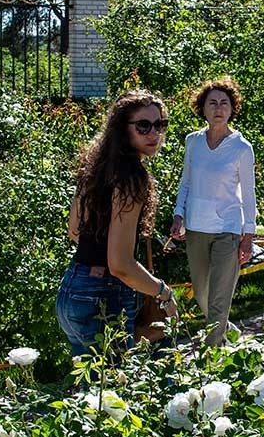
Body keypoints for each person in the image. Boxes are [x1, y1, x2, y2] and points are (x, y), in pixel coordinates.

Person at [56, 90, 178, 358]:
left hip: (72, 290)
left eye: (160, 125)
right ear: (123, 130)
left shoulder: (96, 166)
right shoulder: (131, 179)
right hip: (102, 296)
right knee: (114, 392)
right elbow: (120, 265)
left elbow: (75, 230)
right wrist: (163, 293)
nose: (154, 133)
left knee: (91, 390)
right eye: (143, 126)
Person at [168, 77, 257, 346]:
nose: (218, 108)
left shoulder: (242, 148)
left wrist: (248, 234)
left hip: (227, 230)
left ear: (232, 109)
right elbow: (186, 182)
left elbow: (249, 194)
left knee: (219, 299)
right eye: (212, 103)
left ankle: (212, 358)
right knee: (202, 296)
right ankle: (228, 332)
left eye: (224, 103)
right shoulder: (193, 142)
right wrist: (178, 214)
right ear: (203, 108)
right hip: (196, 226)